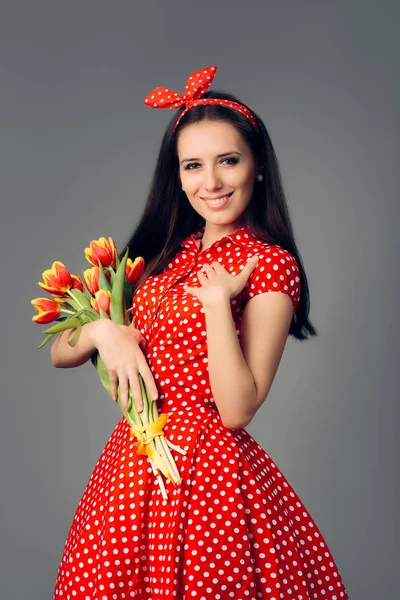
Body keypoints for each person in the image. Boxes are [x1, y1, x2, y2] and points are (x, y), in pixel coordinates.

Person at [52, 66, 349, 599]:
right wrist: (104, 331)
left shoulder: (269, 263)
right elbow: (60, 351)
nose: (210, 183)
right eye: (193, 166)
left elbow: (238, 409)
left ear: (257, 167)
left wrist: (217, 304)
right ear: (179, 176)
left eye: (228, 161)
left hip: (209, 479)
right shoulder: (164, 255)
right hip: (132, 468)